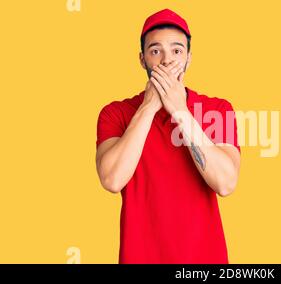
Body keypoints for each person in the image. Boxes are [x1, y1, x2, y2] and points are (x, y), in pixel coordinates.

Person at [95, 8, 241, 264]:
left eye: (176, 51)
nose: (166, 61)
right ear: (142, 59)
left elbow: (226, 183)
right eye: (155, 51)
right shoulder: (115, 113)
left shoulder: (218, 110)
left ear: (189, 58)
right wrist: (149, 107)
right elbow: (112, 179)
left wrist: (180, 111)